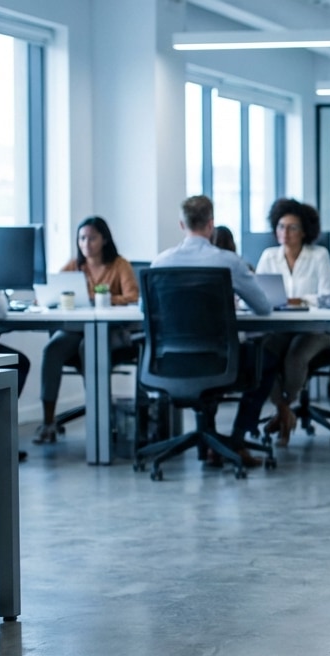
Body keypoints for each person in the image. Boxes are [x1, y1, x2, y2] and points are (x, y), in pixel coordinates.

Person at [153, 195, 273, 469]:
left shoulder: (160, 263)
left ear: (181, 224)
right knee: (267, 360)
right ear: (211, 225)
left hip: (169, 362)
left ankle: (210, 440)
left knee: (205, 360)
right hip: (220, 362)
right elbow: (263, 308)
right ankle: (236, 438)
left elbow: (144, 311)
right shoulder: (228, 262)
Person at [34, 216, 139, 445]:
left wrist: (102, 299)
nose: (86, 243)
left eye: (92, 238)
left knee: (87, 347)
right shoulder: (74, 266)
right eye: (82, 238)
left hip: (111, 332)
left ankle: (99, 418)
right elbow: (50, 289)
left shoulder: (120, 265)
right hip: (76, 329)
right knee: (52, 349)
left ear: (104, 240)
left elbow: (133, 297)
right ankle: (48, 422)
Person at [255, 198, 330, 444]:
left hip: (314, 330)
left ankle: (283, 409)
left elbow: (327, 296)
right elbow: (259, 292)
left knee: (295, 357)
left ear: (304, 232)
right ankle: (285, 413)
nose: (285, 233)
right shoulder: (269, 256)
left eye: (292, 228)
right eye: (281, 227)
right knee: (262, 354)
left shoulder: (318, 255)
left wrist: (296, 301)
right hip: (279, 328)